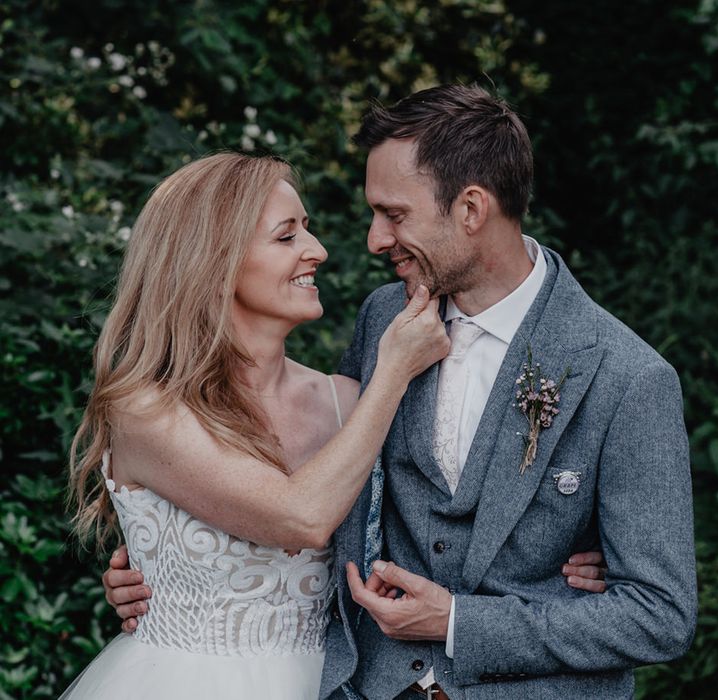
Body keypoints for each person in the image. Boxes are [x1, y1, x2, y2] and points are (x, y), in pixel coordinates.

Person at [102, 84, 675, 699]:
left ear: (472, 209)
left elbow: (658, 614)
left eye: (394, 215)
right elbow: (317, 499)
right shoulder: (384, 322)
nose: (373, 240)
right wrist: (170, 569)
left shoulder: (626, 376)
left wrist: (461, 622)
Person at [62, 152, 452, 700]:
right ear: (214, 260)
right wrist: (392, 373)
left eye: (308, 231)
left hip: (333, 685)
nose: (317, 251)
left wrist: (576, 555)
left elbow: (436, 528)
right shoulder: (146, 412)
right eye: (286, 236)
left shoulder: (349, 403)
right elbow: (301, 517)